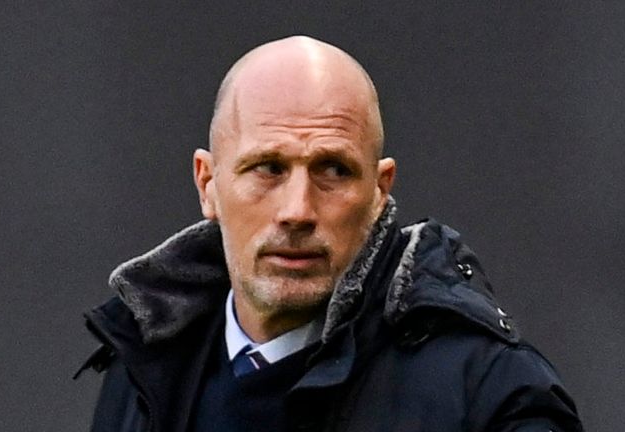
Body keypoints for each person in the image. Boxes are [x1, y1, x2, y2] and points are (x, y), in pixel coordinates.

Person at [77, 35, 584, 432]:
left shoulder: (488, 394)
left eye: (334, 170)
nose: (297, 210)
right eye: (267, 168)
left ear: (380, 191)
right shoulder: (143, 367)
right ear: (208, 184)